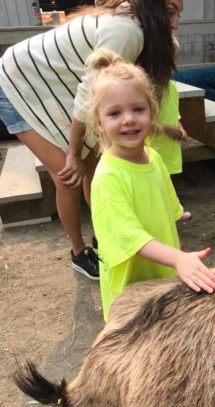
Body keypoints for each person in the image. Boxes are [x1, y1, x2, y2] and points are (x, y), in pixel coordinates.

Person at [0, 0, 181, 280]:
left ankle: (104, 237)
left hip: (55, 84)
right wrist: (73, 152)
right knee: (67, 175)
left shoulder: (134, 25)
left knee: (95, 166)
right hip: (16, 84)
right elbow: (86, 97)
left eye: (178, 13)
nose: (175, 24)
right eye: (170, 12)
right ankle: (79, 252)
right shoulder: (128, 32)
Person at [86, 49, 215, 320]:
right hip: (131, 297)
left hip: (163, 281)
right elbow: (130, 239)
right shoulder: (108, 176)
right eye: (115, 113)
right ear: (99, 124)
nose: (129, 119)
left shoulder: (155, 158)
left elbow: (169, 218)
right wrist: (178, 259)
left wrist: (178, 258)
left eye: (138, 108)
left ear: (152, 111)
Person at [147, 37, 191, 220]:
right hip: (155, 145)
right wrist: (166, 129)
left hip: (169, 144)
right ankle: (162, 215)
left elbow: (174, 112)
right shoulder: (150, 90)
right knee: (154, 181)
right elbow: (143, 125)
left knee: (167, 180)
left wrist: (180, 127)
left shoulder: (171, 86)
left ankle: (173, 211)